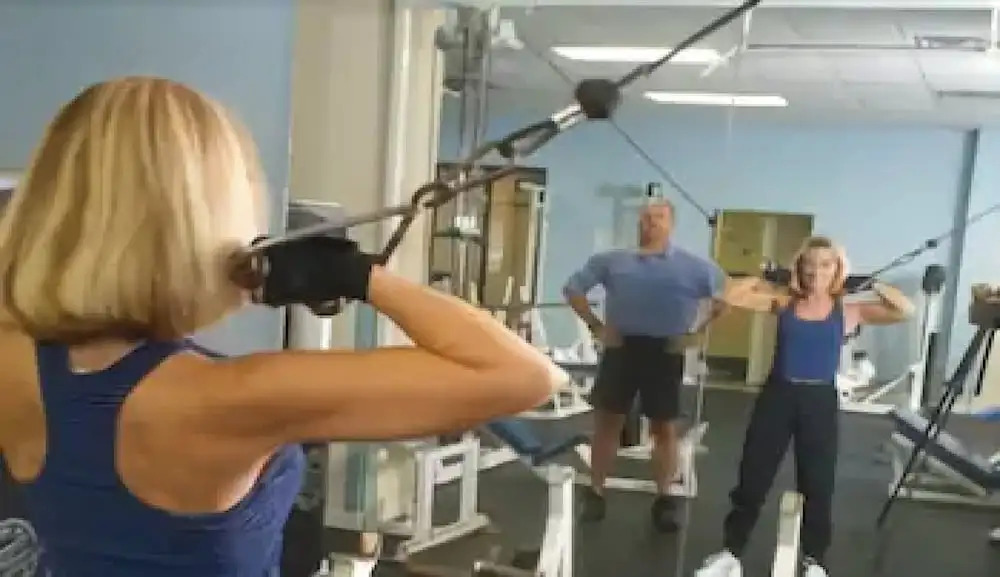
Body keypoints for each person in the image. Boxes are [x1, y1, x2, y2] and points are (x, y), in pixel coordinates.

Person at [0, 77, 564, 577]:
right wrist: (358, 276)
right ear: (201, 220)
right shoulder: (225, 400)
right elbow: (524, 376)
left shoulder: (13, 356)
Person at [695, 236, 914, 577]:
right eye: (809, 264)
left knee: (818, 484)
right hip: (778, 397)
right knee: (753, 478)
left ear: (837, 269)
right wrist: (770, 277)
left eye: (825, 265)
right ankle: (731, 553)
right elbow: (730, 295)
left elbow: (904, 309)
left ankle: (814, 560)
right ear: (799, 267)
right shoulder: (784, 303)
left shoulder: (848, 311)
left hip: (819, 401)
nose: (816, 272)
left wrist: (870, 283)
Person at [563, 200, 728, 531]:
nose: (651, 222)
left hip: (665, 351)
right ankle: (595, 493)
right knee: (607, 423)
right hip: (621, 347)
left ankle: (665, 499)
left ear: (671, 223)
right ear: (639, 222)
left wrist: (696, 333)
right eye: (646, 217)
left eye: (659, 217)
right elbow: (573, 289)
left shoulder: (695, 267)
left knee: (663, 428)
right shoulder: (612, 261)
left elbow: (725, 297)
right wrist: (596, 326)